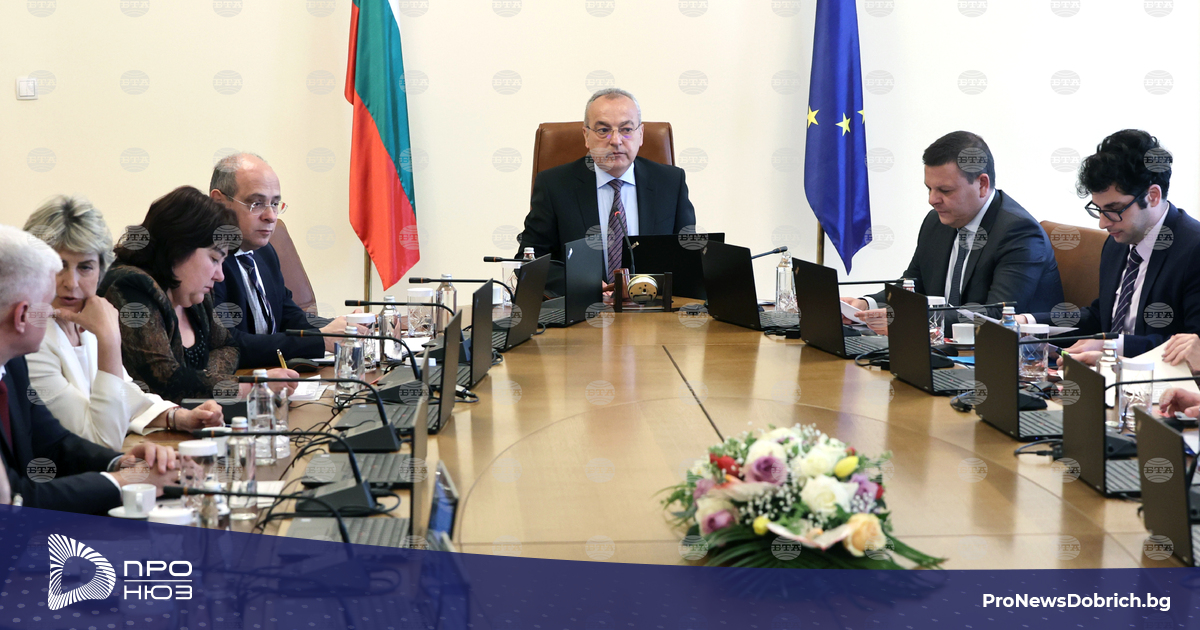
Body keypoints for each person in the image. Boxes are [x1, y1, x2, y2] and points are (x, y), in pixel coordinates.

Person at [0, 224, 178, 514]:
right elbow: (15, 498)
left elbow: (54, 443)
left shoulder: (13, 364)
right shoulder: (25, 357)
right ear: (22, 316)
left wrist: (120, 463)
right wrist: (122, 482)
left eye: (85, 267)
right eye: (46, 302)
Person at [23, 197, 225, 451]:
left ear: (101, 270)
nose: (71, 283)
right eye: (59, 266)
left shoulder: (82, 319)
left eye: (85, 267)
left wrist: (179, 417)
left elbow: (124, 394)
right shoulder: (30, 341)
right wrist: (109, 340)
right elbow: (101, 441)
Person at [841, 131, 1063, 333]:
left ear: (982, 185)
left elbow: (997, 315)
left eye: (945, 190)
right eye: (929, 188)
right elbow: (913, 286)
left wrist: (914, 319)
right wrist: (867, 305)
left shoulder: (1019, 233)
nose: (932, 200)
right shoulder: (936, 221)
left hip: (1015, 356)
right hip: (945, 347)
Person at [98, 186, 297, 403]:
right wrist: (253, 388)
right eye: (214, 259)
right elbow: (164, 382)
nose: (220, 275)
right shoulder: (130, 286)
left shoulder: (194, 296)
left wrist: (196, 378)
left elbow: (229, 346)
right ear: (179, 247)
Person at [1024, 130, 1200, 364]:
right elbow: (1102, 317)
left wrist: (1112, 347)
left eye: (1114, 210)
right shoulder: (1117, 242)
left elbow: (1193, 347)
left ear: (1153, 196)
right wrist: (1029, 323)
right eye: (1098, 209)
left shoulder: (1193, 249)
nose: (1103, 223)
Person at [517, 88, 697, 295]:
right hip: (582, 307)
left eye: (626, 129)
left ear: (641, 134)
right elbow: (529, 259)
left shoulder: (670, 183)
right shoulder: (554, 185)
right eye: (603, 130)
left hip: (652, 308)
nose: (616, 140)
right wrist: (580, 283)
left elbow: (688, 256)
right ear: (586, 136)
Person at [209, 153, 361, 368]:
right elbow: (229, 343)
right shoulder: (206, 261)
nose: (271, 216)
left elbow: (289, 316)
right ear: (219, 202)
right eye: (256, 203)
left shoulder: (265, 252)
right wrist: (320, 340)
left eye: (275, 204)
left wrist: (344, 328)